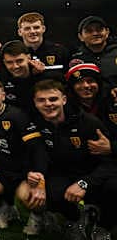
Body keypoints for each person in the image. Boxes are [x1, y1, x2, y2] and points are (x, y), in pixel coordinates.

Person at [32, 79, 117, 233]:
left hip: (95, 175)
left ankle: (104, 227)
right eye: (41, 100)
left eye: (53, 99)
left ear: (63, 100)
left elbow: (110, 164)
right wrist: (37, 176)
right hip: (65, 174)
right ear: (35, 103)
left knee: (114, 187)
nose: (48, 104)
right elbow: (39, 153)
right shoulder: (36, 123)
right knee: (50, 190)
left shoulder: (89, 123)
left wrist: (85, 183)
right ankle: (76, 219)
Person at [0, 78, 48, 232]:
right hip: (0, 171)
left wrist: (39, 177)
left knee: (28, 197)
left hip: (23, 173)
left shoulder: (16, 116)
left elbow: (38, 148)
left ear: (3, 96)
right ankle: (5, 208)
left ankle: (38, 216)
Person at [0, 40, 47, 113]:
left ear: (29, 58)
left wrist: (36, 76)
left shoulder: (42, 76)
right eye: (9, 62)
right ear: (4, 62)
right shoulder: (0, 79)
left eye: (19, 61)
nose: (15, 66)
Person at [69, 15, 117, 89]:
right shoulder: (75, 58)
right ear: (80, 36)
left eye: (99, 29)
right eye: (89, 31)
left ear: (107, 32)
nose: (95, 33)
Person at [16, 12, 69, 78]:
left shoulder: (60, 51)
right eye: (27, 28)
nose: (32, 31)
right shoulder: (16, 54)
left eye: (36, 27)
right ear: (20, 32)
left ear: (43, 29)